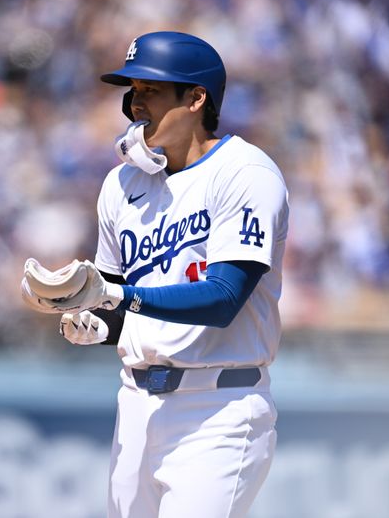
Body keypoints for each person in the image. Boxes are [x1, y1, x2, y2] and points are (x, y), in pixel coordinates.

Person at [20, 31, 289, 518]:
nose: (135, 104)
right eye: (133, 91)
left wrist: (121, 298)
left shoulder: (245, 172)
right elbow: (113, 301)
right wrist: (94, 324)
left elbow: (225, 298)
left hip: (219, 409)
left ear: (196, 98)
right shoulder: (121, 183)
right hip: (137, 405)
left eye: (151, 90)